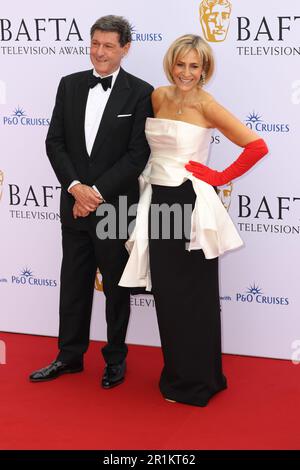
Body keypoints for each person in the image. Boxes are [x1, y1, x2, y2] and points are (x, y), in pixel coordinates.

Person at [119, 34, 268, 406]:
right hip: (157, 200)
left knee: (195, 295)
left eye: (194, 66)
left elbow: (256, 145)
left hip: (189, 203)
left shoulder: (207, 104)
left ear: (205, 70)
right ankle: (178, 374)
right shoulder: (158, 96)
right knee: (168, 293)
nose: (186, 73)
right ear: (172, 63)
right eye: (180, 64)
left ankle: (200, 381)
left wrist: (217, 177)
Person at [29, 15, 153, 388]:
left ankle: (115, 358)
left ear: (125, 49)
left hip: (114, 208)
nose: (99, 52)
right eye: (95, 43)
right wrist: (76, 188)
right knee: (74, 281)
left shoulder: (141, 92)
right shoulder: (69, 85)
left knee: (116, 286)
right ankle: (69, 356)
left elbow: (137, 155)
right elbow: (55, 142)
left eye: (109, 46)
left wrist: (95, 193)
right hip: (75, 203)